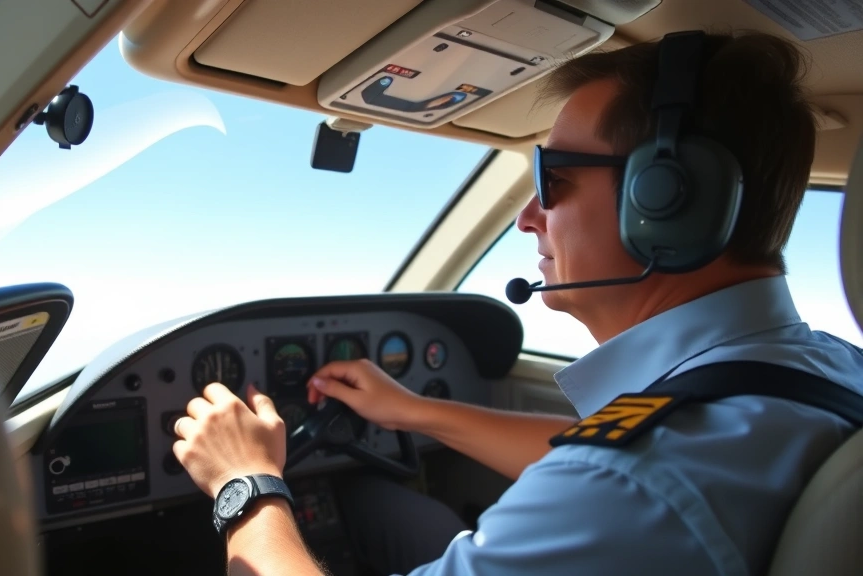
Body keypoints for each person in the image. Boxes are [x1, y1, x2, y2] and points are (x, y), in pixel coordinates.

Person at [169, 30, 863, 576]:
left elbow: (615, 475)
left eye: (553, 179)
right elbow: (598, 451)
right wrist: (414, 410)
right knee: (376, 509)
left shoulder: (637, 483)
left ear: (668, 203)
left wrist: (247, 484)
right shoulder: (820, 372)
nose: (529, 215)